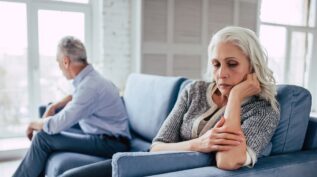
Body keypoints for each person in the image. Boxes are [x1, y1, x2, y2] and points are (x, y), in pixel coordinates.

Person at [57, 26, 280, 177]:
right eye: (216, 64)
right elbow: (157, 146)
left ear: (252, 67)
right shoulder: (194, 90)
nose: (221, 74)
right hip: (143, 165)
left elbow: (228, 161)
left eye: (232, 64)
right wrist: (198, 144)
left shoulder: (263, 111)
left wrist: (235, 97)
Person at [13, 36, 131, 177]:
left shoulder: (90, 86)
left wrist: (33, 123)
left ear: (66, 61)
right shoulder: (90, 80)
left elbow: (56, 124)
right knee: (47, 132)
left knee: (42, 138)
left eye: (58, 63)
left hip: (111, 144)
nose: (60, 68)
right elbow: (76, 95)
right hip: (103, 136)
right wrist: (56, 105)